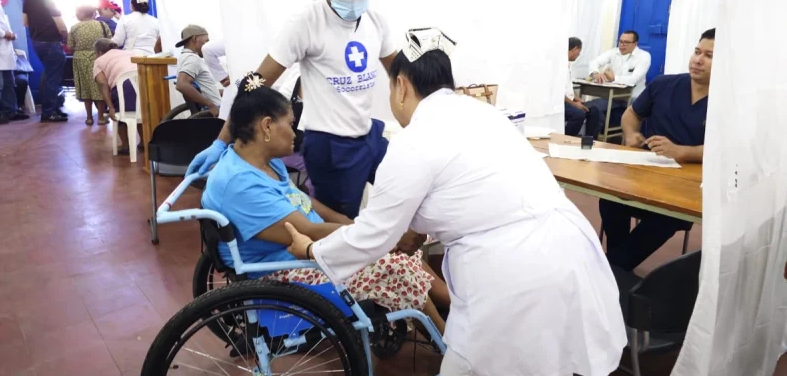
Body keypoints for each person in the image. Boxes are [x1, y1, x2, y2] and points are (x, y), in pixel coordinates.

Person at [280, 28, 625, 376]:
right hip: (570, 247)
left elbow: (374, 235)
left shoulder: (412, 141)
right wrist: (414, 230)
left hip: (514, 273)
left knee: (481, 365)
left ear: (401, 85)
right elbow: (473, 192)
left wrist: (312, 251)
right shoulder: (484, 114)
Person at [201, 82, 449, 334]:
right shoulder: (241, 185)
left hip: (307, 250)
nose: (295, 132)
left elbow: (305, 202)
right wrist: (376, 234)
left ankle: (455, 312)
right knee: (395, 263)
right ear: (266, 126)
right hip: (286, 272)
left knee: (400, 252)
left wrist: (351, 223)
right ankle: (446, 338)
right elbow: (306, 231)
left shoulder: (262, 163)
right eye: (289, 123)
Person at [188, 0, 398, 219]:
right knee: (338, 226)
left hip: (369, 133)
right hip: (331, 144)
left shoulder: (377, 23)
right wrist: (221, 141)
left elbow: (403, 75)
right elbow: (255, 86)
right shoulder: (306, 23)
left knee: (406, 190)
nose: (351, 1)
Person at [599, 29, 714, 272]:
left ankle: (610, 269)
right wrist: (630, 134)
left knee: (666, 216)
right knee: (610, 200)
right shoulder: (665, 84)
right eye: (696, 52)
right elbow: (632, 114)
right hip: (643, 175)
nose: (698, 60)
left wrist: (683, 152)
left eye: (709, 55)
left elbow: (728, 149)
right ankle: (617, 268)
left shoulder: (726, 101)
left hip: (684, 188)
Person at [23, 0, 68, 122]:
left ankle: (53, 109)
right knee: (52, 78)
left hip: (37, 41)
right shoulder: (50, 0)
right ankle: (49, 112)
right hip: (51, 42)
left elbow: (25, 22)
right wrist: (66, 38)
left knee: (49, 75)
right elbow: (60, 26)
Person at [587, 30, 652, 133]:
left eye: (626, 42)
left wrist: (614, 78)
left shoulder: (644, 56)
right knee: (589, 107)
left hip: (633, 98)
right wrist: (595, 73)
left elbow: (634, 80)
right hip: (614, 97)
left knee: (639, 115)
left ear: (635, 44)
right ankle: (593, 139)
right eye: (620, 41)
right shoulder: (613, 52)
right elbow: (594, 62)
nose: (622, 45)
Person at [92, 38, 140, 155]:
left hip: (123, 87)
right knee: (139, 112)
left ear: (98, 52)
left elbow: (103, 84)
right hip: (143, 86)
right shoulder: (130, 52)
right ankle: (144, 142)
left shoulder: (99, 61)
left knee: (121, 112)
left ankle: (125, 145)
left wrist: (111, 108)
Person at [67, 5, 111, 125]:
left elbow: (70, 46)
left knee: (85, 88)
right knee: (100, 87)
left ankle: (89, 117)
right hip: (99, 58)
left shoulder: (74, 27)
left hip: (80, 60)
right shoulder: (102, 25)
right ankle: (101, 117)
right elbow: (109, 41)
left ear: (81, 13)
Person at [174, 25, 221, 113]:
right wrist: (210, 105)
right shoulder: (192, 59)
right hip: (215, 112)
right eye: (206, 41)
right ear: (195, 39)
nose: (208, 45)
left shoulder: (183, 57)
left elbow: (202, 89)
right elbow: (182, 84)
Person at [564, 37, 599, 137]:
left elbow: (568, 88)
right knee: (578, 114)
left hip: (569, 101)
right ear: (575, 49)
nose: (578, 55)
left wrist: (578, 99)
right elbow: (559, 93)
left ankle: (590, 140)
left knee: (594, 110)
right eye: (578, 52)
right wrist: (574, 104)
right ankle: (566, 139)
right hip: (562, 103)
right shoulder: (559, 66)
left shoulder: (568, 65)